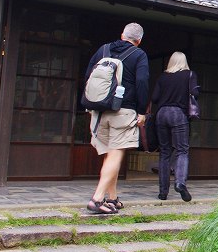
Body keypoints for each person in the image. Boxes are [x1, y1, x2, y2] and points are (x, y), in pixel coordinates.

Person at [84, 23, 149, 214]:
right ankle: (97, 199)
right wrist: (141, 111)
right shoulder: (139, 55)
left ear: (122, 35)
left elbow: (88, 76)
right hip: (123, 111)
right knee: (115, 153)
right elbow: (142, 83)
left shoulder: (103, 50)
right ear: (139, 40)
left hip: (99, 111)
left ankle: (112, 198)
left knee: (109, 154)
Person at [151, 51, 199, 202]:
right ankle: (180, 183)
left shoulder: (163, 77)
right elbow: (194, 93)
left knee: (164, 152)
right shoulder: (189, 74)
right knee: (182, 150)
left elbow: (154, 98)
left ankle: (162, 192)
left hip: (161, 114)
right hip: (178, 113)